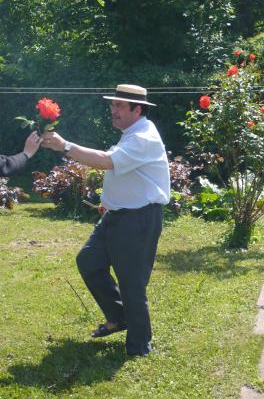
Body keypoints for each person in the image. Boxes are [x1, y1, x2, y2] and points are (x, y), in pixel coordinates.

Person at [42, 84, 170, 357]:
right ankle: (120, 316)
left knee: (132, 283)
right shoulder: (131, 133)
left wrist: (65, 146)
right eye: (112, 105)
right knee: (88, 260)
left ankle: (139, 346)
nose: (113, 110)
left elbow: (106, 162)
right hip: (117, 216)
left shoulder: (143, 137)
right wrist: (110, 202)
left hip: (139, 219)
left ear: (137, 109)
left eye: (119, 106)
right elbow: (123, 172)